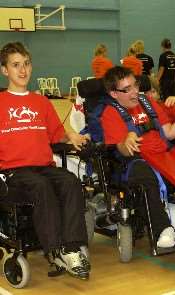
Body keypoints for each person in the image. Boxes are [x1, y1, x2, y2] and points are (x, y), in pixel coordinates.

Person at [0, 42, 91, 279]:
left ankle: (71, 247)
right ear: (4, 70)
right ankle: (55, 250)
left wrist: (73, 136)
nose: (23, 70)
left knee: (70, 181)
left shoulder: (41, 102)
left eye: (27, 64)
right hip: (12, 173)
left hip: (42, 167)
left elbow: (57, 134)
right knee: (41, 186)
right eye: (15, 65)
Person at [100, 66, 175, 248]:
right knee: (145, 176)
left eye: (135, 86)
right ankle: (163, 229)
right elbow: (123, 149)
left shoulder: (148, 102)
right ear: (114, 94)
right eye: (127, 90)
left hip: (164, 157)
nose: (134, 92)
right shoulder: (110, 114)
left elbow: (169, 132)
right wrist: (127, 140)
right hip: (136, 161)